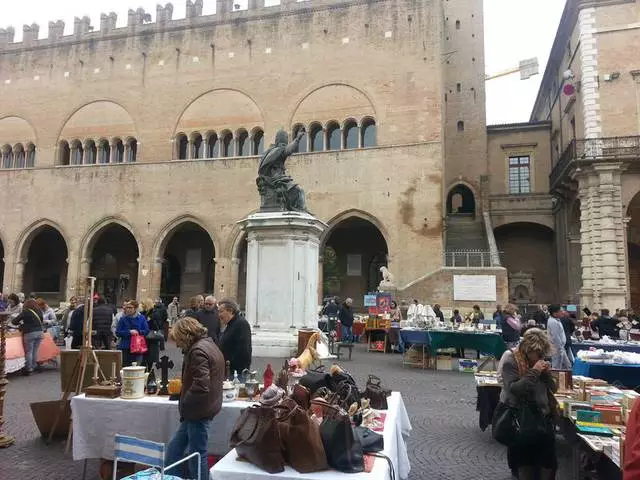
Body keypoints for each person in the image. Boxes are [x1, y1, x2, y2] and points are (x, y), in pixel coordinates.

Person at [166, 316, 224, 480]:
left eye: (178, 340)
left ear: (185, 335)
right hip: (199, 409)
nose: (177, 345)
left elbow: (201, 385)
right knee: (175, 449)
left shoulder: (198, 350)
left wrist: (185, 403)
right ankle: (171, 477)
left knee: (197, 455)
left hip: (197, 411)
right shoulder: (208, 344)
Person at [500, 328, 557, 480]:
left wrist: (547, 375)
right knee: (525, 462)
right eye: (536, 354)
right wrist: (534, 371)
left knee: (549, 462)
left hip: (543, 417)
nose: (538, 357)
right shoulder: (512, 361)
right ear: (527, 350)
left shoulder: (541, 360)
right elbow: (514, 389)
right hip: (522, 418)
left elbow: (553, 389)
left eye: (541, 354)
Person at [218, 299, 252, 380]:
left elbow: (244, 351)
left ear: (230, 311)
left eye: (221, 311)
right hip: (229, 371)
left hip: (236, 373)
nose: (219, 315)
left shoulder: (241, 324)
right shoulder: (232, 324)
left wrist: (230, 366)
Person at [11, 298, 44, 375]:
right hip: (40, 332)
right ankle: (33, 366)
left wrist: (22, 325)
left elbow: (14, 321)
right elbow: (41, 320)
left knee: (29, 351)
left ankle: (28, 368)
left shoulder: (25, 311)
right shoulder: (39, 311)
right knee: (35, 350)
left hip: (30, 333)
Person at [116, 301, 150, 366]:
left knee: (136, 368)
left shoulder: (141, 318)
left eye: (130, 308)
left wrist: (138, 332)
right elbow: (118, 332)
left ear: (136, 308)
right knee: (125, 367)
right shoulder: (123, 319)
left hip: (138, 347)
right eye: (127, 307)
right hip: (126, 347)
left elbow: (146, 330)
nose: (128, 309)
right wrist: (129, 332)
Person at [547, 305, 571, 370]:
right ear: (555, 313)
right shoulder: (552, 322)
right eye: (560, 311)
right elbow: (556, 336)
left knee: (568, 366)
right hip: (557, 348)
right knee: (557, 368)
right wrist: (560, 348)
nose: (562, 312)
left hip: (560, 347)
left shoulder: (557, 320)